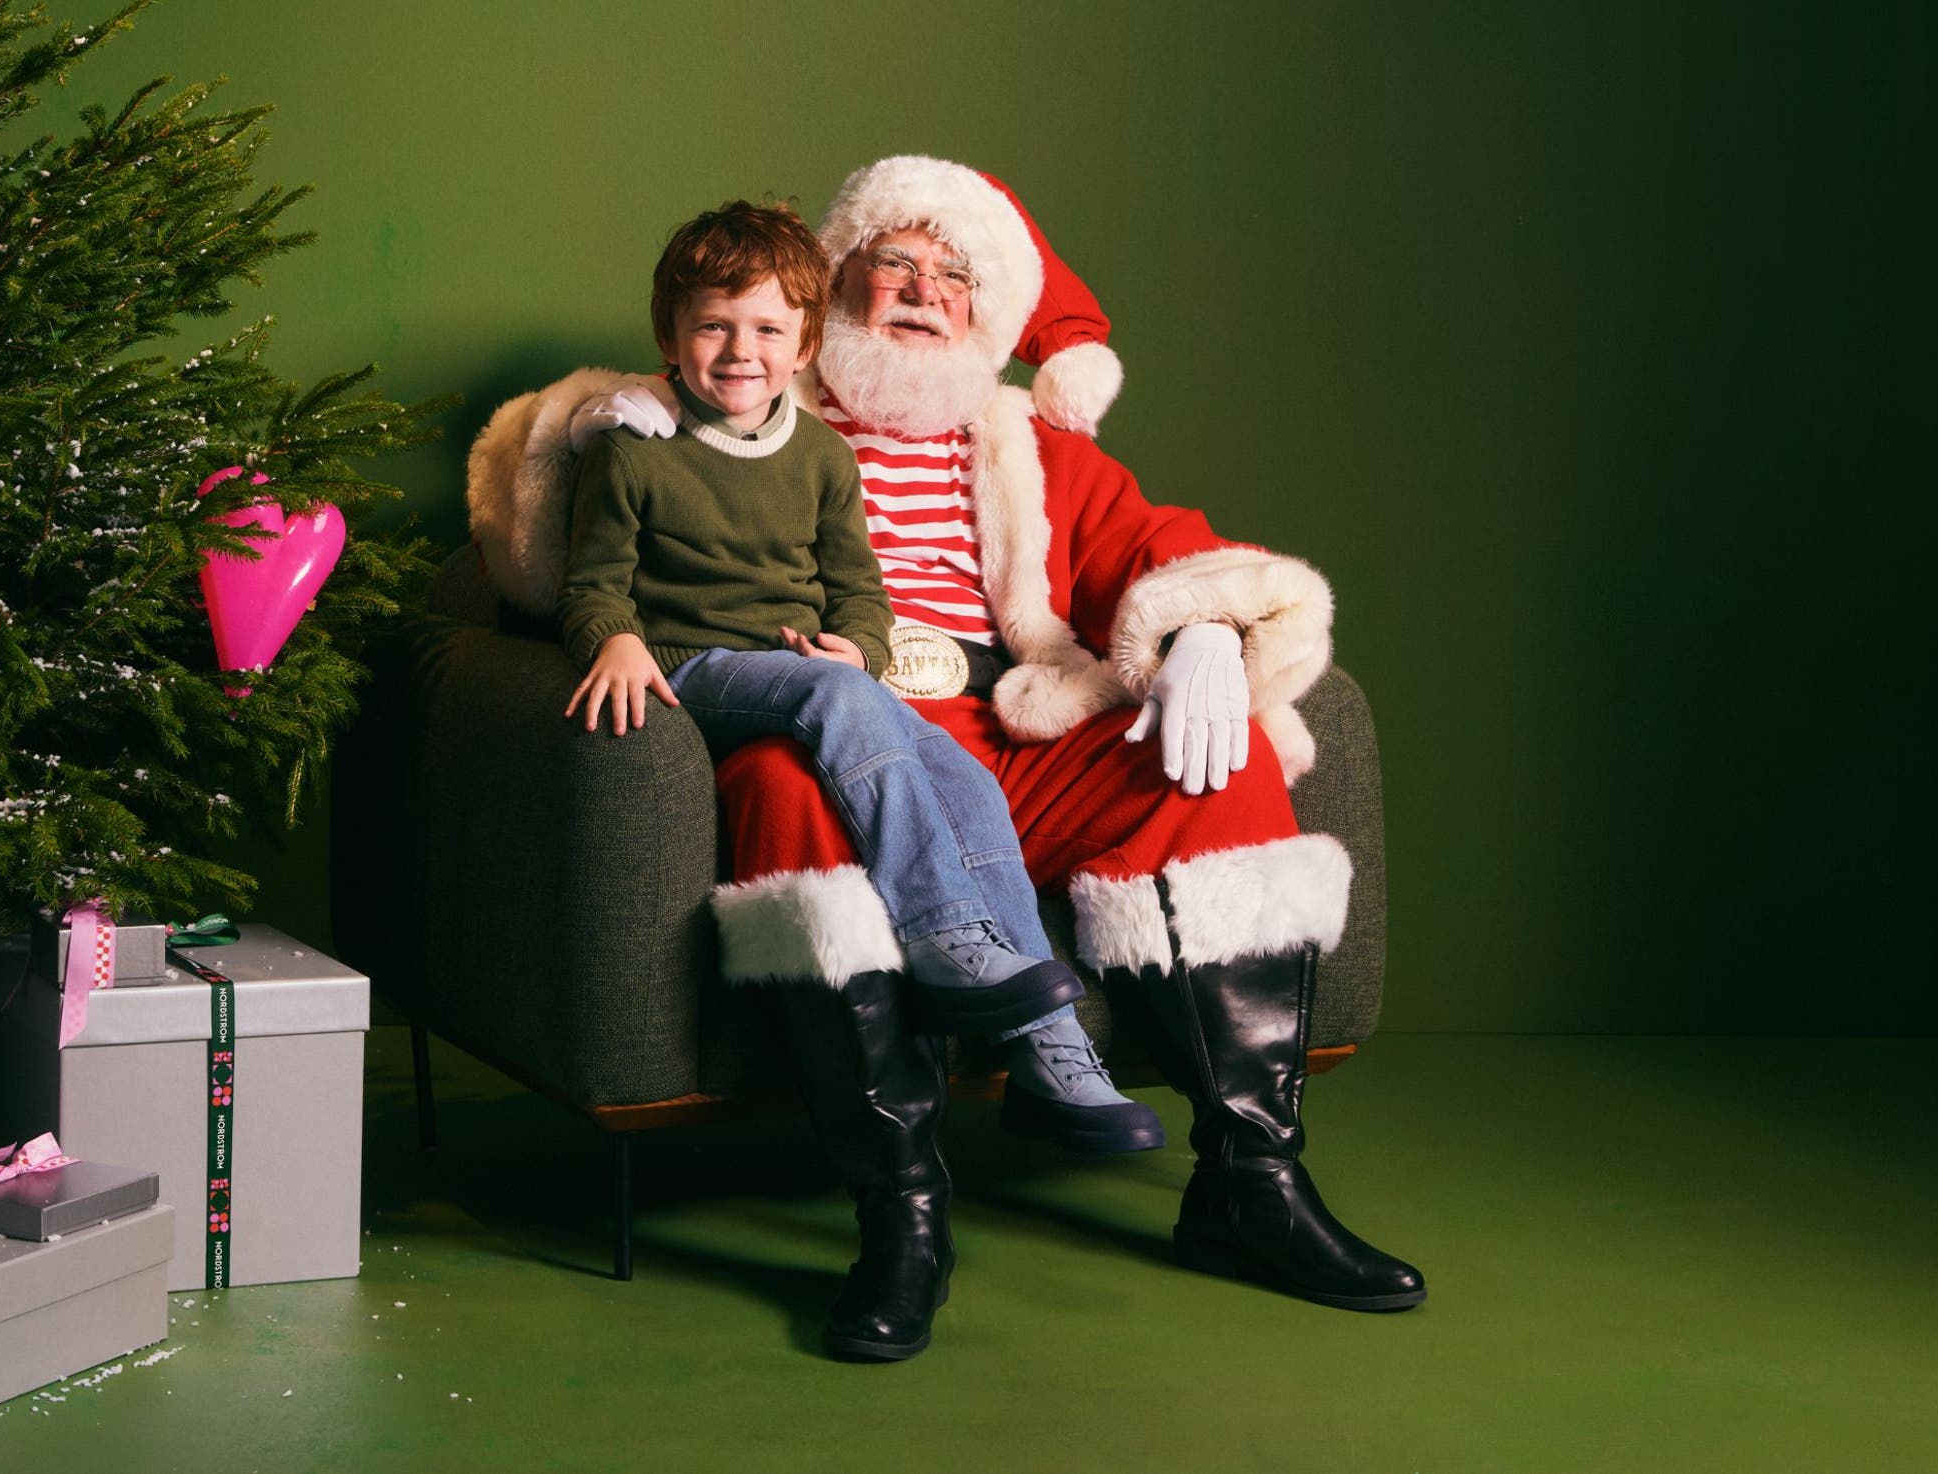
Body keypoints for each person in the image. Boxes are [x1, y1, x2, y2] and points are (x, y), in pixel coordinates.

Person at [484, 158, 1425, 1362]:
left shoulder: (1028, 444)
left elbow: (1153, 539)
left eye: (954, 275)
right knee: (782, 789)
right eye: (895, 265)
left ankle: (1251, 1184)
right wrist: (596, 418)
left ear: (989, 316)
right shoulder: (748, 403)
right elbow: (550, 529)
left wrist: (1202, 627)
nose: (924, 291)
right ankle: (902, 1215)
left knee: (1219, 761)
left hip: (1013, 722)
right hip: (827, 718)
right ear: (836, 291)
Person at [556, 201, 1166, 1212]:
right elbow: (591, 587)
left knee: (960, 770)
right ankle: (942, 934)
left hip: (809, 668)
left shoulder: (819, 458)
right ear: (669, 337)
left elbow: (857, 591)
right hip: (691, 666)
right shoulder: (635, 447)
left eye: (763, 330)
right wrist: (611, 637)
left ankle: (1054, 1051)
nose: (738, 351)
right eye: (711, 327)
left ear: (803, 342)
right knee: (836, 694)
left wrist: (863, 647)